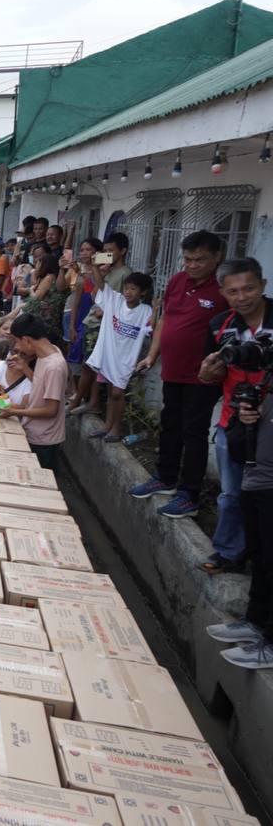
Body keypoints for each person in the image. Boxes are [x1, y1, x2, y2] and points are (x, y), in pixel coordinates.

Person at [128, 231, 228, 518]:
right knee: (170, 423)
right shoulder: (176, 281)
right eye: (188, 259)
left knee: (193, 432)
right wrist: (152, 355)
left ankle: (189, 494)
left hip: (203, 377)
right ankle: (165, 477)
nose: (193, 265)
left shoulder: (223, 288)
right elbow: (166, 321)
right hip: (173, 370)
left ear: (217, 257)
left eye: (200, 260)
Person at [197, 257, 273, 573]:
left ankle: (261, 559)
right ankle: (229, 552)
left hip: (269, 427)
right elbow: (212, 375)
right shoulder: (220, 325)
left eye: (249, 288)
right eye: (233, 291)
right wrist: (205, 375)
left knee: (264, 499)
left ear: (263, 286)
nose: (242, 297)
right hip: (233, 422)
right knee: (231, 495)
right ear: (224, 293)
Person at [207, 389, 273, 669]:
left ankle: (270, 644)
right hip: (256, 480)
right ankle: (255, 622)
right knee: (260, 558)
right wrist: (248, 418)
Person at [81, 258, 154, 443]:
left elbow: (152, 329)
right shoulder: (115, 301)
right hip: (109, 356)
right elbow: (100, 284)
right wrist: (96, 265)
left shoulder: (146, 311)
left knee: (117, 393)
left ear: (143, 292)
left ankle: (116, 428)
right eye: (126, 288)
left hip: (126, 359)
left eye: (133, 289)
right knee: (109, 390)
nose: (128, 292)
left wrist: (160, 308)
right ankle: (106, 426)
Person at [0, 313, 66, 469]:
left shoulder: (54, 366)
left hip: (44, 438)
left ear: (26, 339)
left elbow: (51, 410)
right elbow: (41, 385)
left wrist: (14, 411)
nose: (17, 347)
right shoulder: (49, 352)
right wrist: (24, 368)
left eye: (17, 341)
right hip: (34, 431)